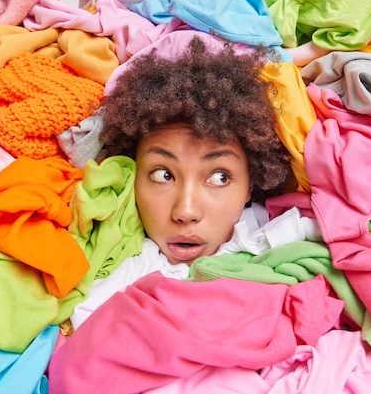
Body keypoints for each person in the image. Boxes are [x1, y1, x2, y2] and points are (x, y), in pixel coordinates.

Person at [67, 34, 301, 329]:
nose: (186, 212)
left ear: (250, 185)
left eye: (219, 177)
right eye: (163, 175)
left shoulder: (290, 241)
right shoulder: (111, 280)